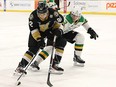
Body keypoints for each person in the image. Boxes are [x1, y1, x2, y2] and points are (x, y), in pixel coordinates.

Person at [30, 6, 98, 74]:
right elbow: (59, 25)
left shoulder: (81, 19)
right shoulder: (66, 19)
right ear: (70, 13)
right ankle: (36, 63)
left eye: (77, 16)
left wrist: (91, 30)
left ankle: (77, 57)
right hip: (56, 32)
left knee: (80, 37)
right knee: (49, 48)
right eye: (73, 15)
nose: (74, 17)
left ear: (80, 16)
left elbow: (85, 23)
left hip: (66, 33)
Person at [14, 2, 65, 74]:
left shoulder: (53, 13)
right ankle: (20, 67)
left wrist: (59, 29)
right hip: (38, 32)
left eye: (44, 14)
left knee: (62, 41)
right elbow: (33, 30)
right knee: (33, 49)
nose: (42, 16)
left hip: (50, 30)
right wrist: (39, 40)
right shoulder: (33, 16)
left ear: (47, 11)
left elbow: (62, 22)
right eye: (40, 13)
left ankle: (55, 65)